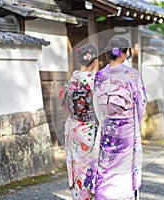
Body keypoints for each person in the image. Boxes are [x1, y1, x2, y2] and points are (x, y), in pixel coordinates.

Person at [85, 36, 147, 200]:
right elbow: (141, 103)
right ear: (124, 53)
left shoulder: (100, 75)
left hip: (107, 127)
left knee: (106, 165)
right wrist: (136, 124)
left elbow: (97, 106)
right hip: (127, 128)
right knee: (124, 168)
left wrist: (105, 120)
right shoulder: (132, 74)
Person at [59, 43, 98, 200]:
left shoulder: (72, 79)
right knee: (87, 166)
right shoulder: (94, 81)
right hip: (88, 128)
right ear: (94, 61)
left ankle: (77, 196)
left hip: (72, 126)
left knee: (75, 165)